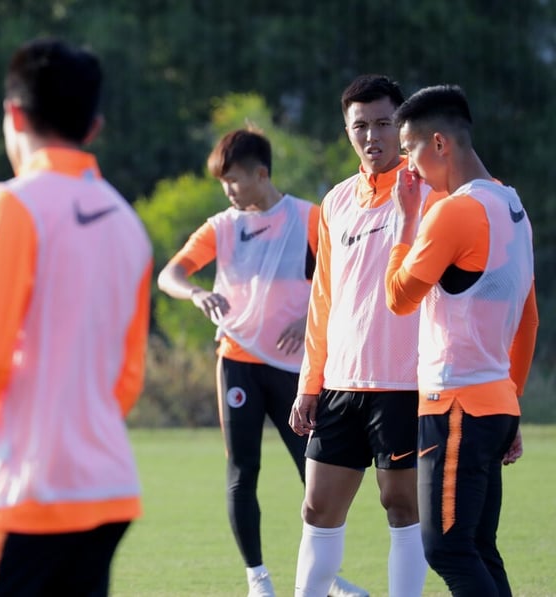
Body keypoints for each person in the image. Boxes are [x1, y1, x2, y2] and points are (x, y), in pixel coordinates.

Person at [0, 38, 152, 597]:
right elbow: (127, 376)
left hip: (29, 489)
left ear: (14, 114)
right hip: (108, 488)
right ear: (94, 127)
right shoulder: (128, 222)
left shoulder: (13, 203)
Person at [156, 127, 365, 597]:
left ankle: (324, 578)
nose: (227, 190)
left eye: (233, 180)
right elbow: (170, 274)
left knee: (316, 474)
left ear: (261, 174)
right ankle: (258, 579)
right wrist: (196, 293)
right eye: (222, 182)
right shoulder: (222, 227)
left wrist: (310, 317)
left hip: (295, 368)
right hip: (237, 361)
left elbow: (348, 276)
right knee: (242, 471)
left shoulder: (309, 217)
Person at [385, 85, 538, 597]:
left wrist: (406, 219)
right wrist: (511, 401)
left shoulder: (452, 212)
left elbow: (399, 297)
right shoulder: (513, 207)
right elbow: (529, 322)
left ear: (439, 143)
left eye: (409, 148)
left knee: (448, 549)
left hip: (454, 404)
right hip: (494, 403)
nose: (408, 165)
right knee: (478, 548)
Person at [288, 74, 434, 597]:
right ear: (347, 131)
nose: (372, 136)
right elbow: (322, 299)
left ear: (402, 126)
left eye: (383, 123)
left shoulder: (430, 193)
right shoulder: (335, 202)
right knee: (317, 507)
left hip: (406, 384)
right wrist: (309, 383)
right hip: (339, 385)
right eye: (360, 126)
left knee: (402, 506)